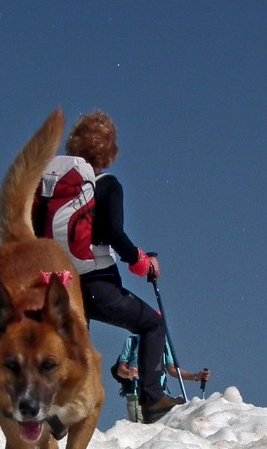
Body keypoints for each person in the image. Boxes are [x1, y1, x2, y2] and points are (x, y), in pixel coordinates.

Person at [41, 110, 185, 422]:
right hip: (96, 282)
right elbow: (114, 233)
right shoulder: (106, 185)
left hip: (60, 280)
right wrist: (142, 262)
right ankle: (152, 398)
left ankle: (54, 409)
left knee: (74, 345)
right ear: (109, 152)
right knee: (151, 324)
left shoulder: (56, 187)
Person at [112, 335, 209, 422]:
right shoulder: (132, 342)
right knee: (142, 433)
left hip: (160, 396)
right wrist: (129, 373)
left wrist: (196, 376)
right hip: (138, 398)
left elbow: (173, 370)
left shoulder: (163, 344)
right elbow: (120, 370)